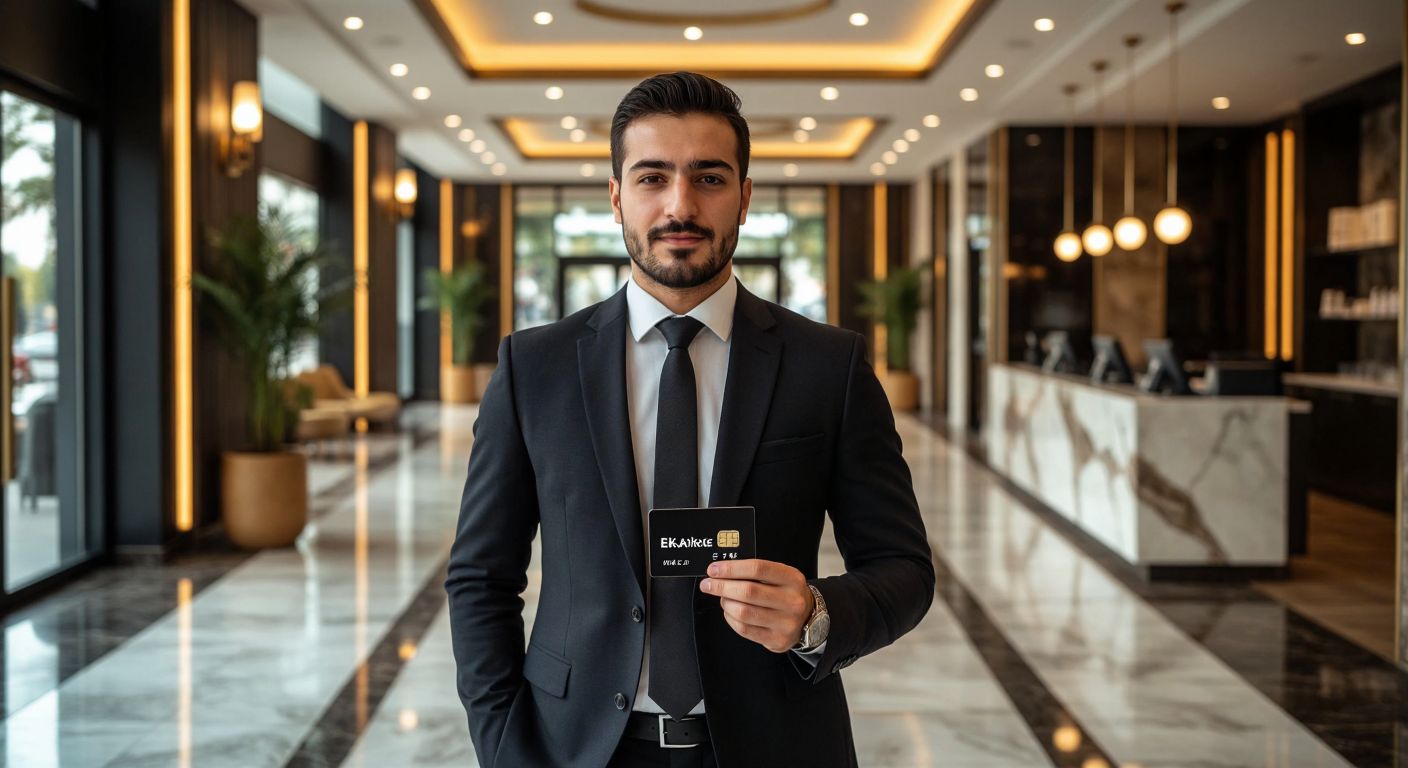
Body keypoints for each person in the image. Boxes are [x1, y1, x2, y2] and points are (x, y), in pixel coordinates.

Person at [446, 71, 934, 768]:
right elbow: (481, 578)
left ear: (744, 197)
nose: (680, 205)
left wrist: (815, 616)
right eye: (652, 178)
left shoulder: (829, 365)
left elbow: (904, 569)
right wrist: (502, 745)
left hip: (778, 745)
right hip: (576, 747)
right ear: (616, 197)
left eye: (709, 178)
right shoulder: (536, 367)